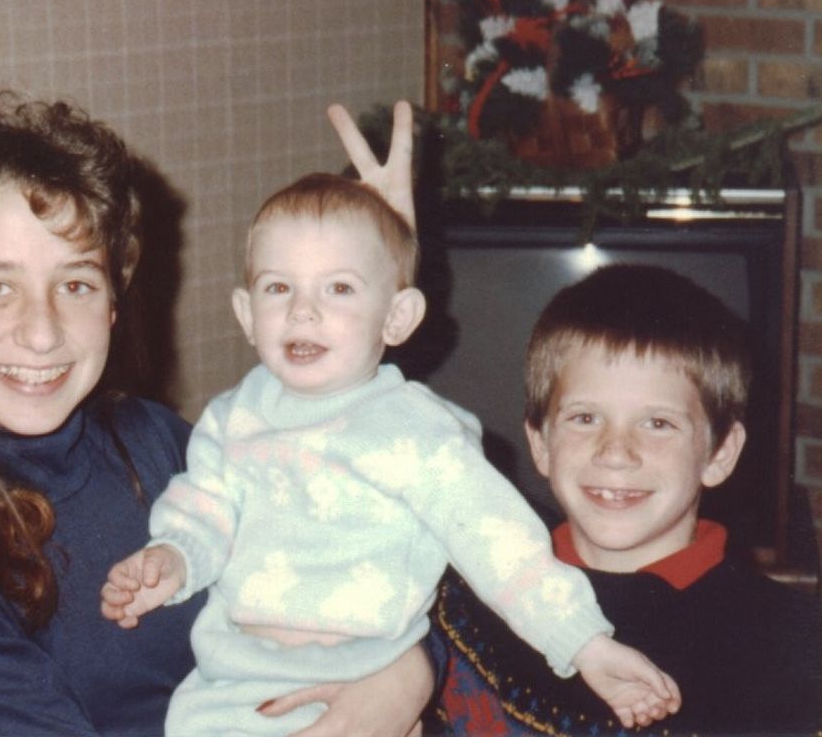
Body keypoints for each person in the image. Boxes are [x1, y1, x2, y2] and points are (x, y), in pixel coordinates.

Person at [0, 91, 438, 737]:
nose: (42, 332)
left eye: (76, 284)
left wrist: (408, 673)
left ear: (113, 304)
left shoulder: (151, 441)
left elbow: (372, 556)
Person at [100, 173, 681, 736]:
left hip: (362, 677)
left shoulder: (417, 431)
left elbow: (503, 547)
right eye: (279, 288)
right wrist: (173, 557)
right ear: (247, 314)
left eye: (339, 288)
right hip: (230, 688)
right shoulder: (233, 417)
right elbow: (202, 510)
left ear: (397, 318)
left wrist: (584, 643)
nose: (303, 311)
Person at [436, 263, 822, 736]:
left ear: (720, 453)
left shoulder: (794, 646)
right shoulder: (468, 596)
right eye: (585, 418)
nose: (615, 453)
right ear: (541, 443)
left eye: (658, 423)